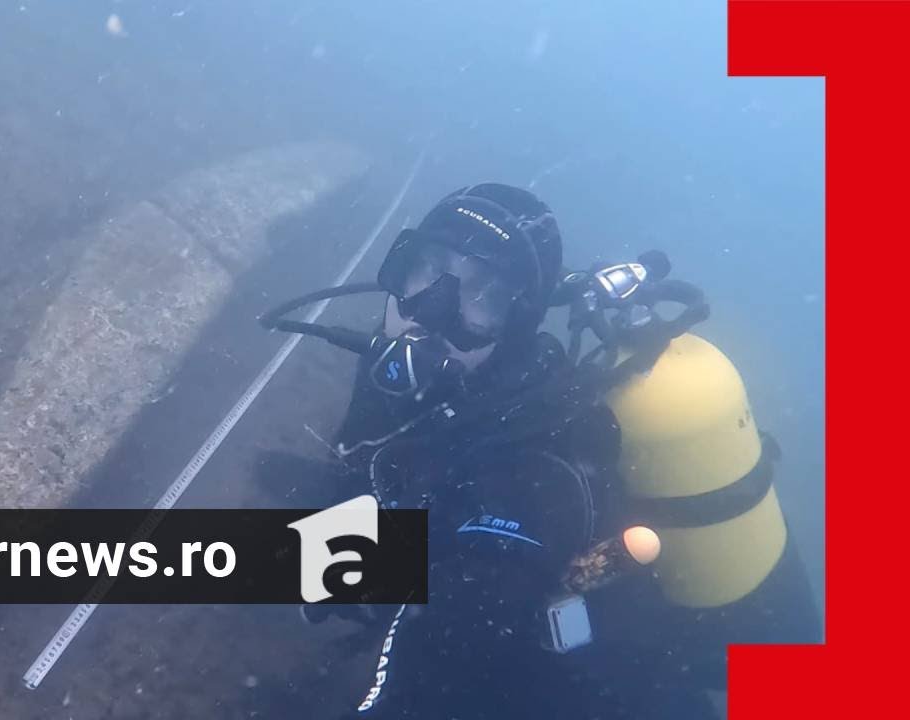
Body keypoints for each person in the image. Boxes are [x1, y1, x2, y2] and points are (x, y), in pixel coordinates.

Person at [260, 183, 821, 718]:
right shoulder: (410, 364)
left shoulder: (533, 473)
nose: (428, 309)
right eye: (428, 268)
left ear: (519, 323)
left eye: (483, 294)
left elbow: (431, 663)